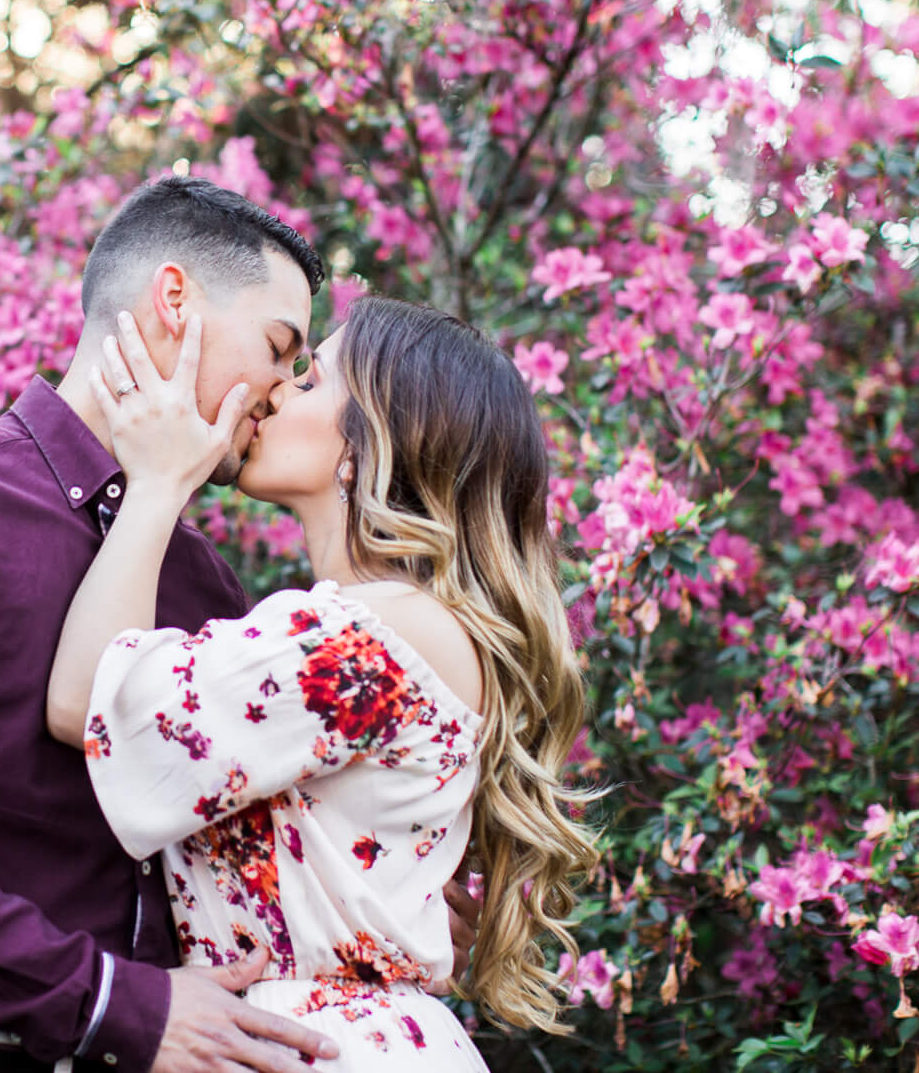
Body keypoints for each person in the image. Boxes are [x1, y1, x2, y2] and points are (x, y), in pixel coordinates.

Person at [0, 178, 477, 1073]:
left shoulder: (205, 582)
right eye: (276, 347)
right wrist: (113, 1004)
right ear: (174, 301)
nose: (277, 389)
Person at [44, 295, 601, 1069]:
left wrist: (158, 483)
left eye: (309, 381)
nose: (274, 391)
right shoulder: (401, 625)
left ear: (366, 446)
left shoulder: (371, 634)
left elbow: (89, 706)